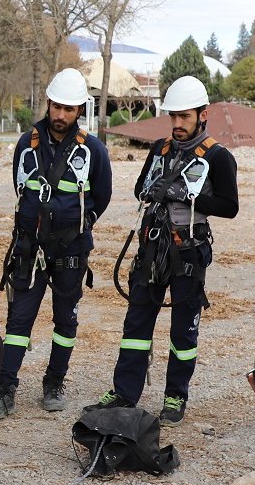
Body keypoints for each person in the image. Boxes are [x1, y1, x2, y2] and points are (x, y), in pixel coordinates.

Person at [86, 75, 238, 426]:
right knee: (136, 321)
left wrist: (189, 196)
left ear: (203, 115)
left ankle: (175, 396)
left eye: (184, 117)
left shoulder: (218, 157)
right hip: (152, 247)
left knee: (184, 329)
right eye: (173, 117)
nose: (177, 124)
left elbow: (230, 206)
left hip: (188, 251)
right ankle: (124, 391)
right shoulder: (159, 149)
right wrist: (153, 190)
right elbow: (141, 186)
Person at [0, 68, 112, 416]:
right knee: (18, 321)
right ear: (48, 103)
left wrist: (78, 225)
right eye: (56, 107)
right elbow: (21, 190)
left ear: (80, 111)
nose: (61, 115)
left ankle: (54, 381)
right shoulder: (26, 144)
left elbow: (102, 196)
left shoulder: (92, 150)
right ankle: (5, 387)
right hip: (29, 249)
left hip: (71, 251)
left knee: (66, 322)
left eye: (69, 109)